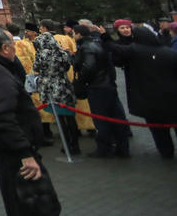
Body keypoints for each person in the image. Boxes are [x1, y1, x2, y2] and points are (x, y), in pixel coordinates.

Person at [0, 25, 56, 216]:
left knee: (25, 203)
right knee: (33, 207)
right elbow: (3, 116)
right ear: (5, 48)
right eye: (12, 45)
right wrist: (25, 154)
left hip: (8, 148)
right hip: (14, 153)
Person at [106, 25, 177, 158]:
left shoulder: (136, 51)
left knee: (158, 130)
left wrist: (104, 37)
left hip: (150, 98)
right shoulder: (169, 52)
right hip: (172, 96)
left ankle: (166, 152)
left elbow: (115, 48)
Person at [71, 24, 128, 158]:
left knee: (100, 119)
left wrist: (82, 80)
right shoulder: (98, 43)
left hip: (97, 86)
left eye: (74, 33)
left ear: (79, 34)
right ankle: (122, 146)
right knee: (116, 117)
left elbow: (89, 67)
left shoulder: (86, 47)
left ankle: (104, 148)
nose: (73, 36)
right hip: (108, 84)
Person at [33, 32, 79, 156]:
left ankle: (66, 145)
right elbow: (67, 66)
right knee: (70, 116)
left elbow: (36, 68)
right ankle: (75, 144)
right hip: (64, 84)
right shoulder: (62, 52)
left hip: (50, 87)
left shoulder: (40, 54)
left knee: (60, 119)